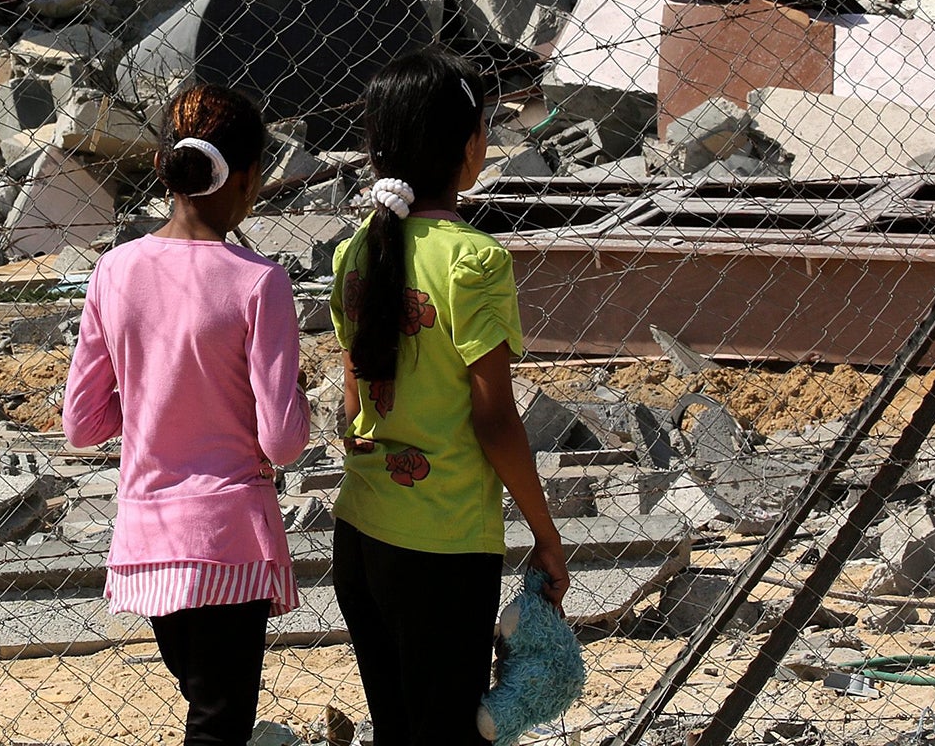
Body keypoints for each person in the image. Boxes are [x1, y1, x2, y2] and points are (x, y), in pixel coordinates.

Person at [330, 51, 569, 746]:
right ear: (470, 148)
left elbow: (352, 404)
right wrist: (546, 536)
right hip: (442, 545)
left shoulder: (357, 252)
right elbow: (494, 418)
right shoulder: (473, 259)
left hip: (363, 533)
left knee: (399, 728)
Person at [62, 83, 312, 746]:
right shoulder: (260, 281)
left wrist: (153, 391)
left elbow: (82, 424)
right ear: (249, 176)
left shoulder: (113, 272)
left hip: (149, 542)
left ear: (165, 168)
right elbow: (283, 441)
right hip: (230, 538)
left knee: (208, 709)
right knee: (219, 722)